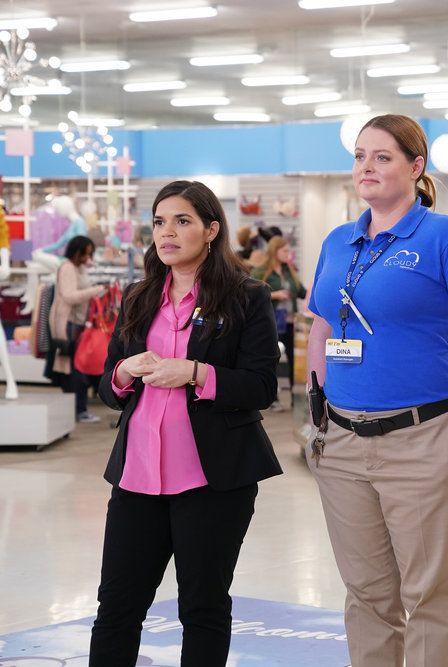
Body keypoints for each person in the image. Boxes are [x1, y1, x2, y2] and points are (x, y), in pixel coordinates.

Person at [306, 114, 448, 666]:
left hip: (424, 436)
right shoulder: (339, 241)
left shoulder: (446, 238)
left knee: (430, 596)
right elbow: (322, 328)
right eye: (359, 156)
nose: (366, 167)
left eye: (382, 156)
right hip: (343, 441)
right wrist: (315, 411)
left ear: (417, 168)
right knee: (366, 595)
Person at [89, 180, 283, 667]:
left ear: (211, 230)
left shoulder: (246, 297)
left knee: (203, 608)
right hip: (137, 479)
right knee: (117, 608)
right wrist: (122, 372)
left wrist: (197, 374)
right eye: (159, 222)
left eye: (182, 221)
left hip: (212, 480)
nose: (167, 232)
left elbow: (262, 387)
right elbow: (108, 392)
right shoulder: (138, 297)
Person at [49, 235, 105, 423]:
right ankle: (78, 410)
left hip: (78, 323)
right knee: (75, 368)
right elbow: (69, 296)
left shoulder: (78, 268)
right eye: (85, 254)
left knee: (75, 367)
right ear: (77, 252)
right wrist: (95, 290)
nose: (87, 257)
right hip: (68, 323)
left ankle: (76, 410)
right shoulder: (67, 268)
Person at [252, 235, 307, 411]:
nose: (288, 254)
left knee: (292, 359)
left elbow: (301, 292)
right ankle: (272, 398)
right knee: (272, 359)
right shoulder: (261, 271)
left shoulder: (289, 271)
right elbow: (251, 293)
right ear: (275, 252)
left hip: (290, 320)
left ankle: (293, 396)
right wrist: (275, 295)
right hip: (271, 320)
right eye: (284, 251)